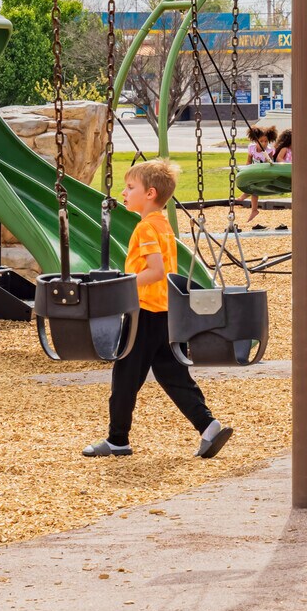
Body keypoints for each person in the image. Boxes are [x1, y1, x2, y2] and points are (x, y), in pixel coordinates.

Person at [84, 158, 235, 460]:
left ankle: (117, 440)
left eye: (130, 188)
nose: (124, 193)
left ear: (149, 193)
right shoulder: (163, 224)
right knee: (173, 374)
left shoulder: (144, 229)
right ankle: (209, 426)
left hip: (143, 313)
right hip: (165, 312)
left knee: (125, 376)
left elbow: (155, 271)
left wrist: (121, 285)